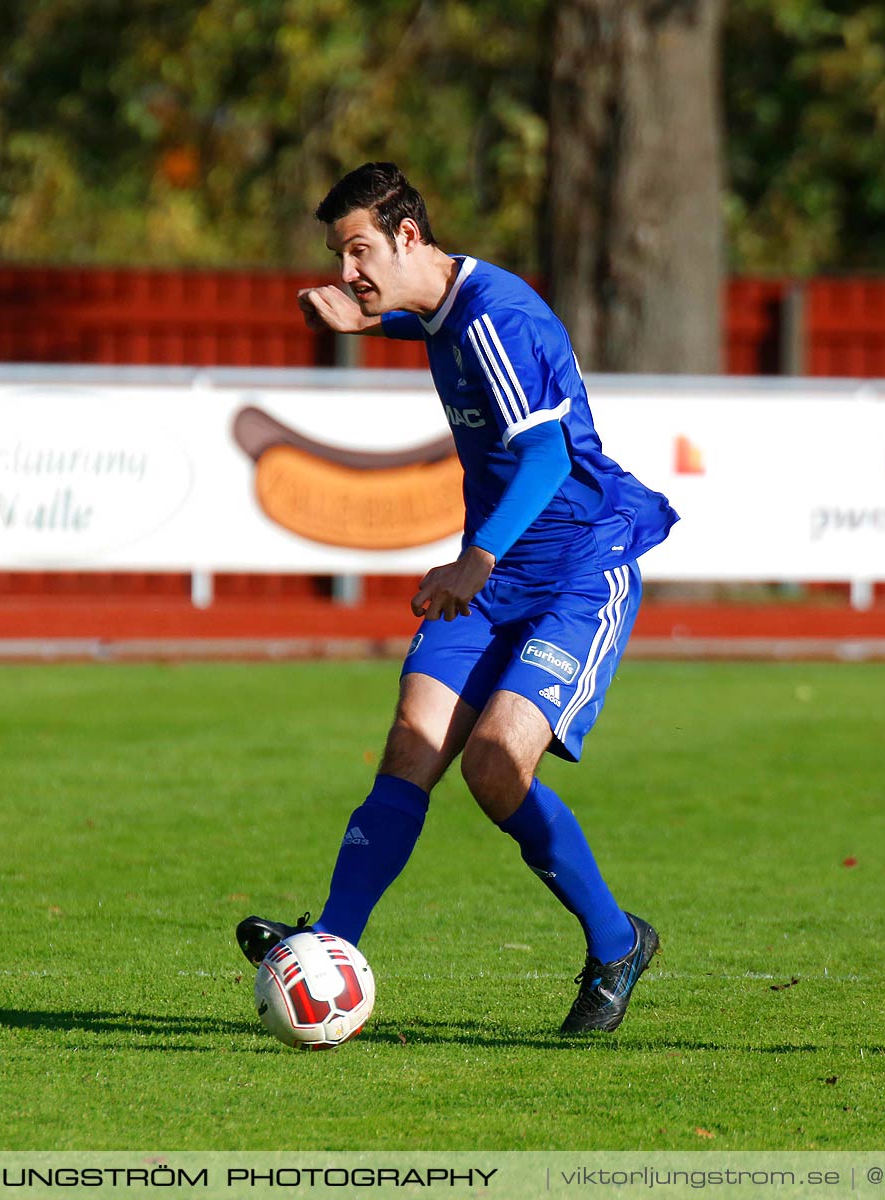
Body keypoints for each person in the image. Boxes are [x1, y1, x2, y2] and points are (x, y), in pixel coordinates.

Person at [235, 162, 679, 1033]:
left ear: (408, 235)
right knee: (412, 745)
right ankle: (328, 943)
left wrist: (472, 562)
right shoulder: (451, 309)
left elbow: (547, 460)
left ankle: (617, 940)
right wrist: (369, 317)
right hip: (503, 567)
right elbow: (437, 327)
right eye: (337, 256)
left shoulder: (499, 317)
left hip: (580, 567)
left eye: (357, 251)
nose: (346, 271)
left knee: (493, 763)